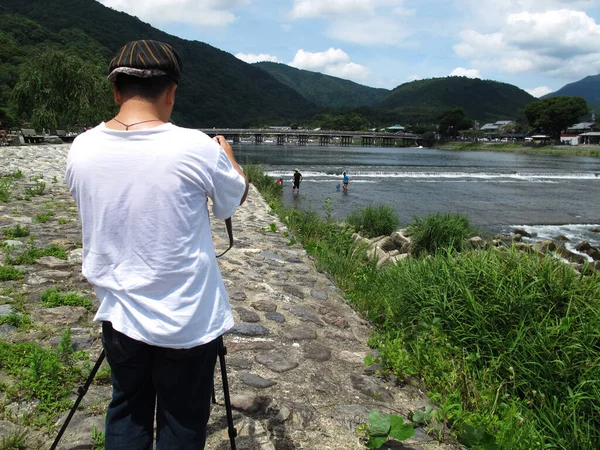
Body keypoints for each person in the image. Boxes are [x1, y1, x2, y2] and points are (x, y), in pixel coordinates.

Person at [65, 39, 249, 450]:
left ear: (116, 91)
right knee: (182, 418)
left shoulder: (81, 148)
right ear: (171, 91)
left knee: (127, 407)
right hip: (187, 321)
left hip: (118, 316)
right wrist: (231, 160)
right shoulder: (196, 146)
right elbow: (229, 203)